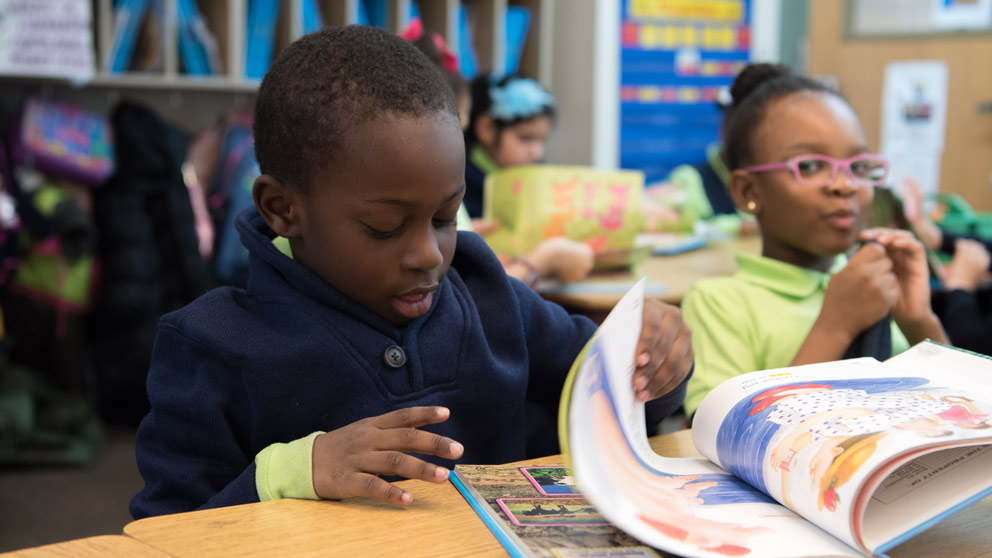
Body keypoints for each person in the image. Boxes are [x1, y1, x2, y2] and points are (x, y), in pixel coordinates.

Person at [129, 25, 694, 519]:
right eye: (383, 227)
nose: (429, 254)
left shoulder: (483, 288)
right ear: (283, 208)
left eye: (445, 217)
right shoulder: (212, 346)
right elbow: (168, 532)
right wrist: (294, 472)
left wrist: (653, 359)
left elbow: (619, 396)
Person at [680, 63, 948, 417]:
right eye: (808, 166)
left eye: (859, 167)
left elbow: (955, 407)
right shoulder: (720, 304)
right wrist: (835, 326)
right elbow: (719, 436)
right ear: (747, 191)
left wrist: (919, 322)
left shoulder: (870, 283)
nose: (845, 184)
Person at [461, 73, 595, 285]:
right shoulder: (462, 182)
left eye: (542, 140)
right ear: (487, 128)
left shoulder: (539, 176)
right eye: (525, 138)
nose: (536, 152)